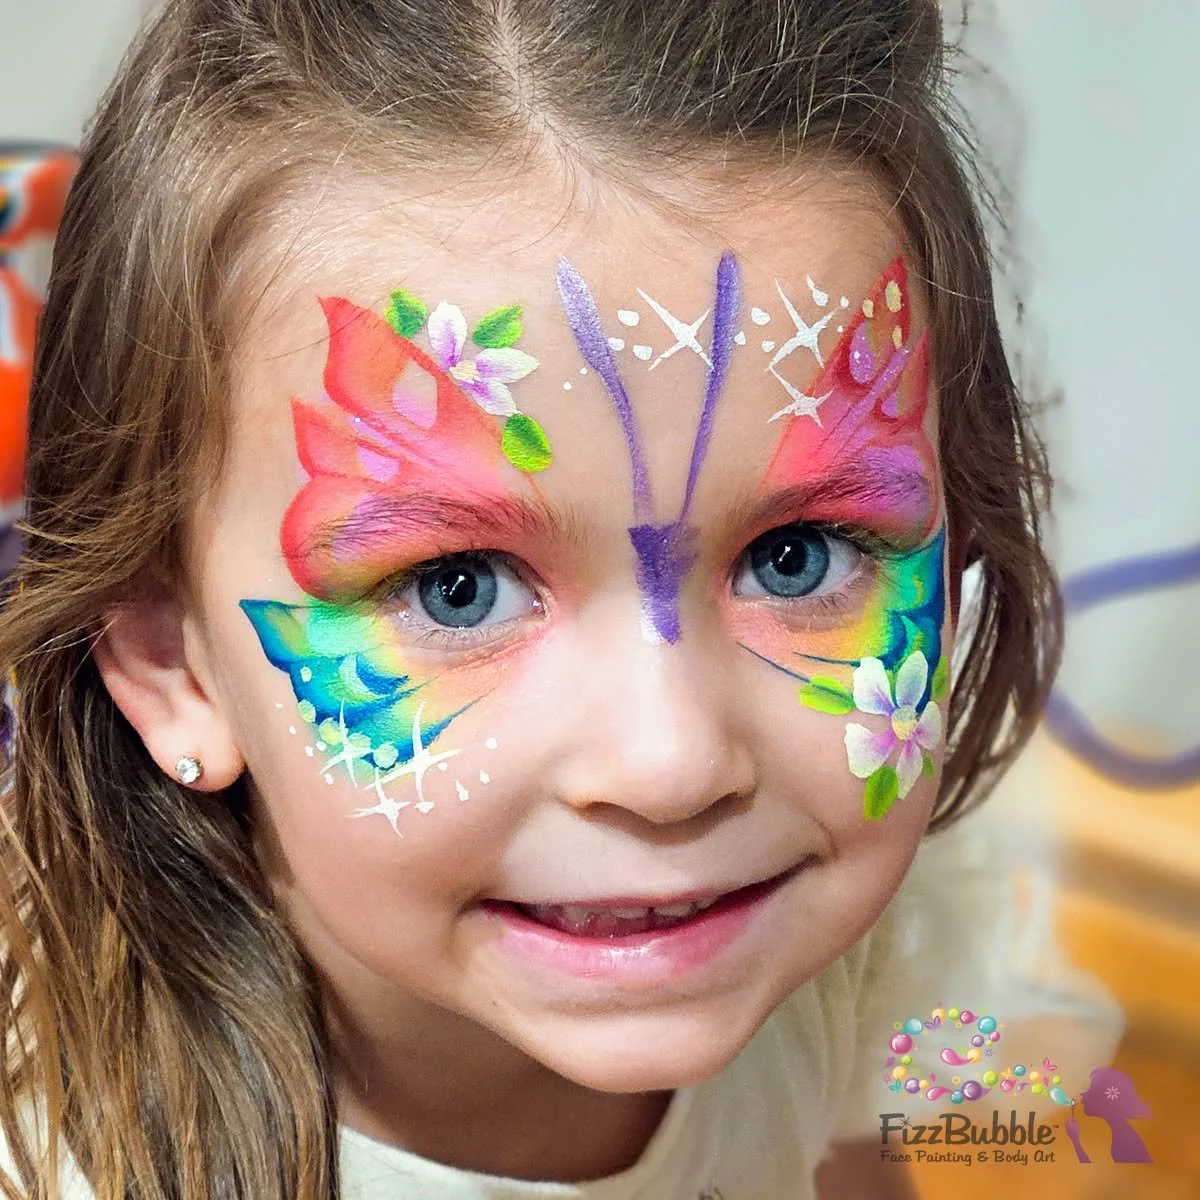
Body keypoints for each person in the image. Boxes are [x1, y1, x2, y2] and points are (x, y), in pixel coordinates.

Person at [0, 1, 1119, 1196]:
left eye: (801, 555)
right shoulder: (63, 1161)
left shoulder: (878, 953)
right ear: (174, 661)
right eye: (458, 588)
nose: (671, 765)